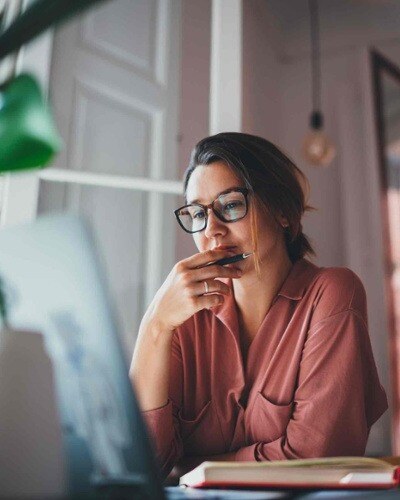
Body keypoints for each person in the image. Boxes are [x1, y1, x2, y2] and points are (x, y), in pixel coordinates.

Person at [130, 132, 388, 480]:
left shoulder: (331, 293)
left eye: (231, 205)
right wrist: (155, 325)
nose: (213, 232)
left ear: (282, 210)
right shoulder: (182, 318)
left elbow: (315, 459)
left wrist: (189, 469)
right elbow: (141, 464)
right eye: (197, 214)